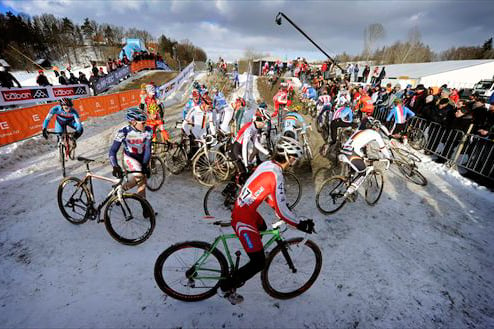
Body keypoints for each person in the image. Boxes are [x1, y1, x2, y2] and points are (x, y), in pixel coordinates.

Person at [220, 136, 315, 304]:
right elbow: (282, 211)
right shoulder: (276, 175)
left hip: (245, 211)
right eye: (293, 158)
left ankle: (254, 249)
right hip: (243, 218)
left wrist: (277, 208)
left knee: (262, 226)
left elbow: (262, 191)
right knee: (258, 263)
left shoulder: (267, 165)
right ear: (287, 156)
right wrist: (301, 224)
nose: (294, 162)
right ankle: (228, 286)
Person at [108, 107, 152, 206]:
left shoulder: (148, 130)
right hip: (130, 158)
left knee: (139, 179)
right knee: (141, 179)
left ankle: (120, 191)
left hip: (141, 158)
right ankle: (145, 207)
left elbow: (148, 149)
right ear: (133, 122)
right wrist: (115, 166)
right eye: (143, 123)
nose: (145, 125)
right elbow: (112, 151)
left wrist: (146, 165)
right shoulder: (123, 132)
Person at [339, 122, 392, 198]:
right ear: (377, 128)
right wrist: (389, 158)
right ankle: (349, 192)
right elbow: (383, 148)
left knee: (354, 169)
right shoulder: (376, 134)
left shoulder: (360, 131)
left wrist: (362, 155)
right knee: (363, 172)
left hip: (343, 151)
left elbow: (358, 144)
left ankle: (348, 182)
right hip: (351, 154)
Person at [230, 108, 271, 184]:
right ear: (259, 120)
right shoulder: (249, 130)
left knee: (245, 172)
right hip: (236, 148)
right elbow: (245, 147)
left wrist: (267, 153)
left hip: (240, 148)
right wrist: (246, 164)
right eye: (264, 122)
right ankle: (230, 191)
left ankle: (236, 185)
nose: (265, 124)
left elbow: (256, 143)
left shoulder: (254, 127)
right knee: (244, 173)